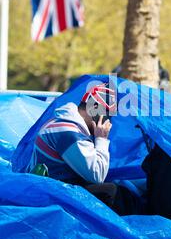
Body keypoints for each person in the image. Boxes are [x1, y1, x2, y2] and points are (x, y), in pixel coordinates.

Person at [28, 83, 141, 215]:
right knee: (113, 192)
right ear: (94, 107)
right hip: (53, 194)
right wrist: (101, 139)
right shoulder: (69, 132)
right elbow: (97, 175)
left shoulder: (64, 123)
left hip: (52, 188)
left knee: (124, 186)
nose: (109, 122)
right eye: (107, 115)